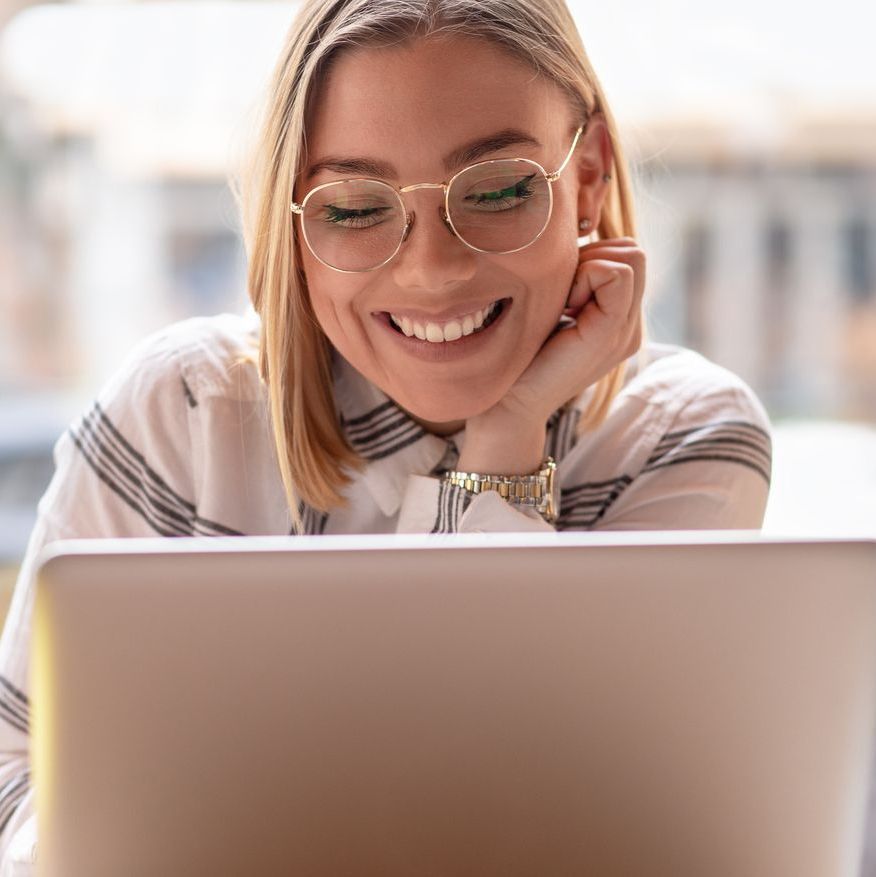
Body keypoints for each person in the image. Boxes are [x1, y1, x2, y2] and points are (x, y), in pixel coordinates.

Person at [0, 0, 772, 869]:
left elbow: (520, 830)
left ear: (587, 175)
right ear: (293, 222)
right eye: (356, 209)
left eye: (499, 190)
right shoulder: (184, 413)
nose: (432, 268)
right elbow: (13, 775)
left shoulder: (679, 436)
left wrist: (506, 436)